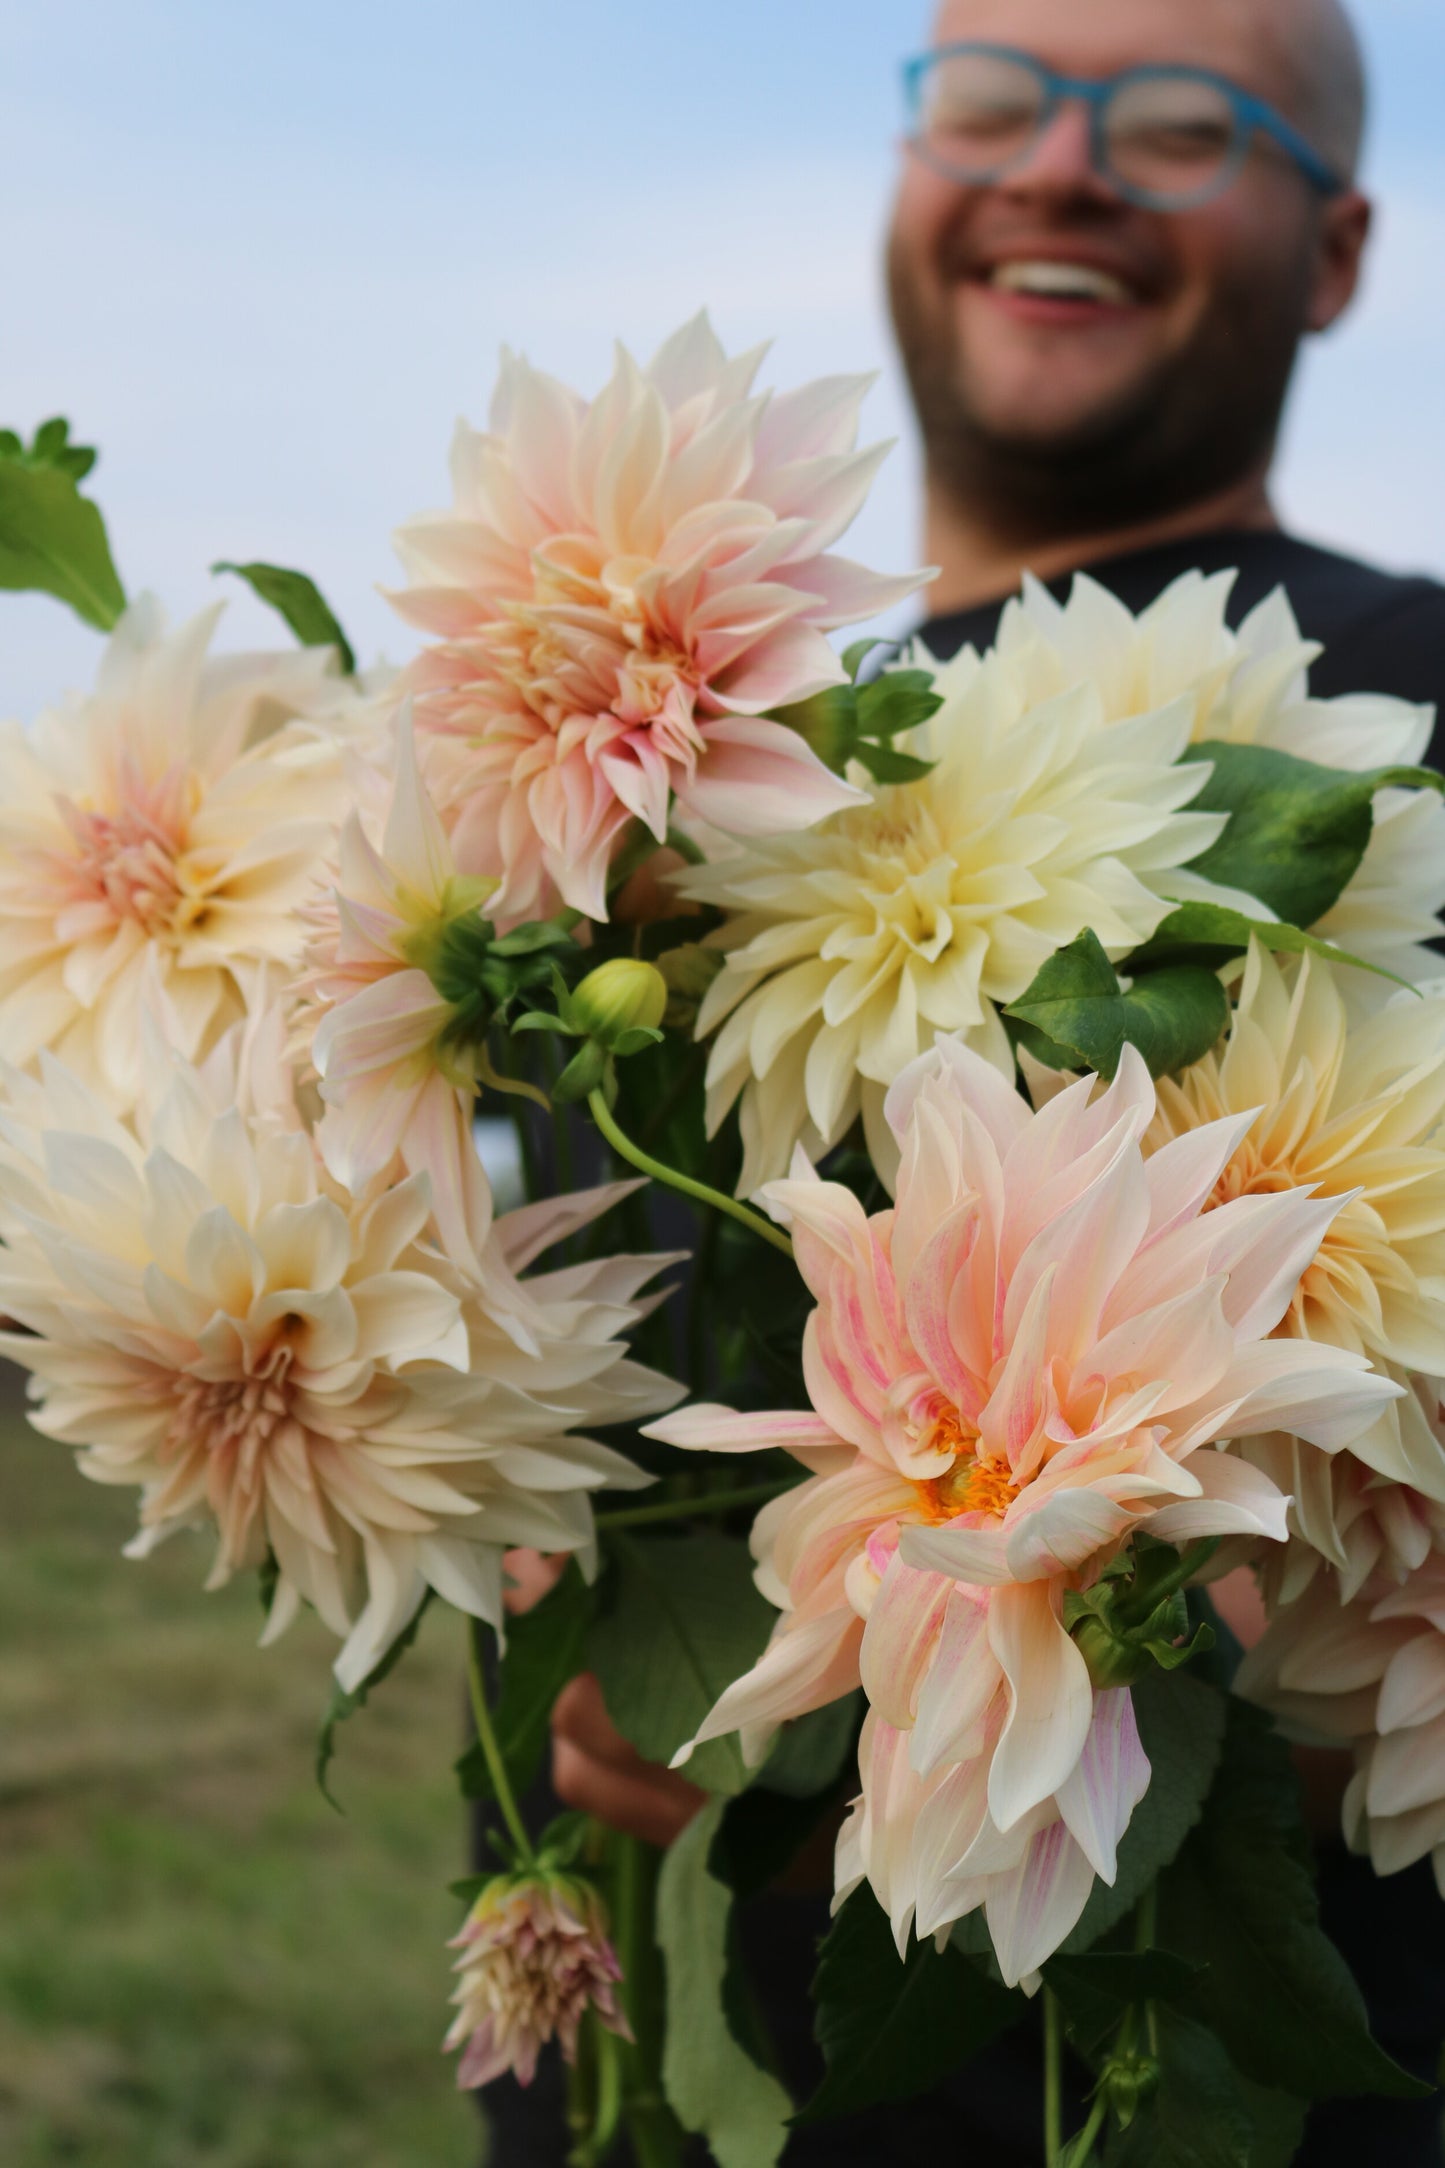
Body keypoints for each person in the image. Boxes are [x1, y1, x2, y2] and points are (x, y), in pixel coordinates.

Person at [486, 0, 1445, 2158]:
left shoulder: (1394, 737)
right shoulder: (667, 823)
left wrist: (1242, 1640)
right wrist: (575, 1629)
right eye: (996, 99)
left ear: (1346, 246)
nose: (1061, 166)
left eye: (1184, 125)